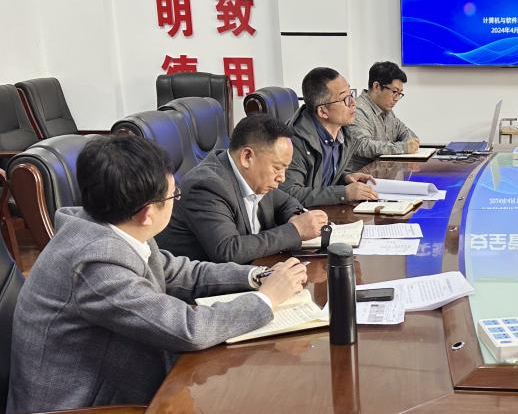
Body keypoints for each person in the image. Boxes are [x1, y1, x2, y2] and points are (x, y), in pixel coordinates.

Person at [6, 135, 308, 413]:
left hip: (119, 377)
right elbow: (187, 329)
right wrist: (266, 299)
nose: (176, 201)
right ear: (147, 213)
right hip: (80, 406)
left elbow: (179, 272)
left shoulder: (116, 221)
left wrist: (256, 276)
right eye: (174, 196)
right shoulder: (96, 262)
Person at [156, 114, 329, 263]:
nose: (282, 178)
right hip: (205, 287)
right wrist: (295, 230)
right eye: (277, 168)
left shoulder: (257, 177)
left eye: (285, 168)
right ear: (247, 157)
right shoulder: (206, 186)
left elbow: (285, 201)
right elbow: (228, 251)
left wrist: (296, 216)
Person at [281, 67, 378, 206]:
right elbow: (289, 193)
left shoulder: (344, 134)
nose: (353, 103)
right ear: (323, 111)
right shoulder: (294, 142)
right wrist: (344, 193)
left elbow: (321, 179)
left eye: (351, 94)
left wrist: (345, 178)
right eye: (345, 98)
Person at [349, 61, 420, 171]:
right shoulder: (358, 110)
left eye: (400, 93)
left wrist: (410, 143)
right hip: (361, 177)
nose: (396, 98)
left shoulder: (386, 109)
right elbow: (363, 145)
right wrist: (403, 147)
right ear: (376, 86)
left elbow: (405, 131)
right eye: (394, 92)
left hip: (383, 175)